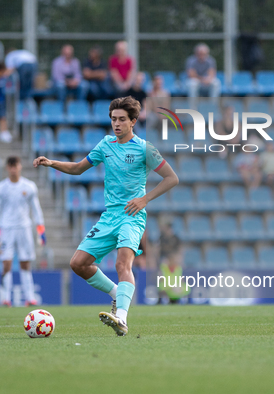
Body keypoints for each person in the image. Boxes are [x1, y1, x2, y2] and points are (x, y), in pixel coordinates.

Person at [33, 96, 179, 336]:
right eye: (113, 119)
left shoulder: (144, 148)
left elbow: (172, 178)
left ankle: (121, 318)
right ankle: (115, 293)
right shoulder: (105, 145)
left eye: (122, 119)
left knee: (122, 263)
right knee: (78, 264)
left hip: (132, 216)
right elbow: (79, 168)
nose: (116, 124)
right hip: (109, 216)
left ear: (133, 122)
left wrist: (145, 199)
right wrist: (52, 163)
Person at [0, 156, 46, 307]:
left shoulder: (29, 186)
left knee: (25, 262)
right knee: (6, 263)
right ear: (7, 168)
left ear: (20, 166)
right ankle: (5, 299)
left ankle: (29, 298)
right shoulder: (0, 188)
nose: (13, 169)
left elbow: (36, 209)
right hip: (6, 228)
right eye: (10, 166)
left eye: (15, 165)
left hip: (24, 228)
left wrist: (40, 228)